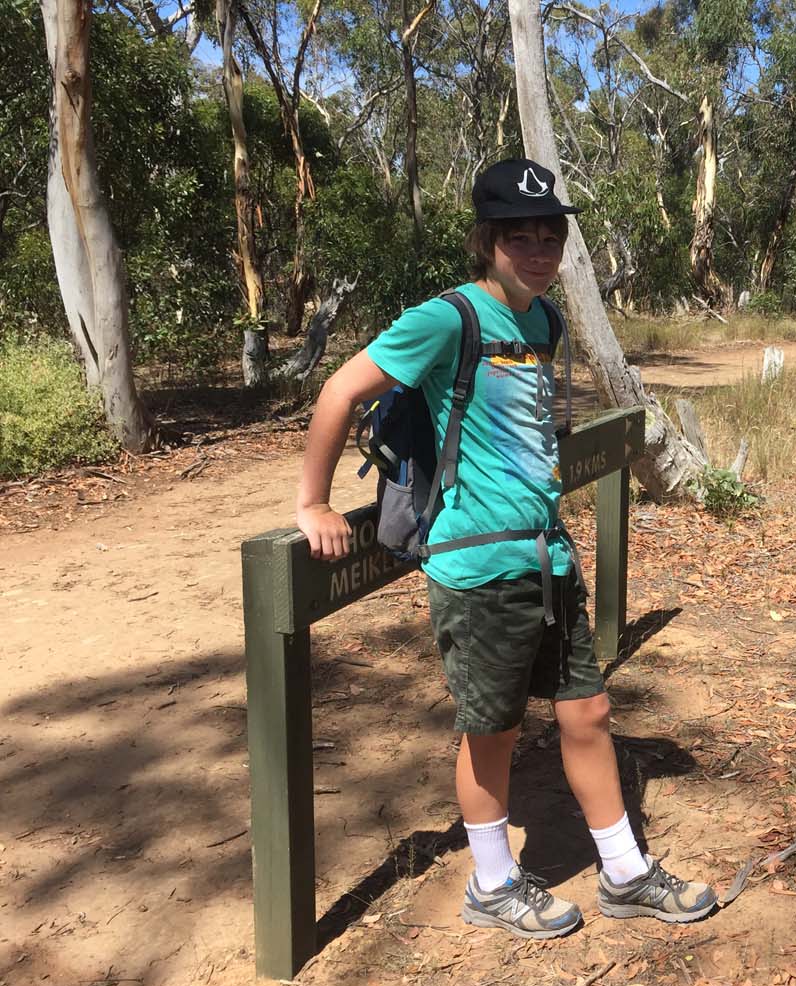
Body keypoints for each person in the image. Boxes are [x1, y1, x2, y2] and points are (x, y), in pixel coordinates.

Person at [294, 158, 715, 938]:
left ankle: (624, 872)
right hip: (478, 566)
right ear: (486, 240)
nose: (536, 247)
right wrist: (314, 502)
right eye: (517, 234)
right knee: (493, 734)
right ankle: (491, 885)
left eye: (548, 234)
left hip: (549, 557)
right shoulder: (447, 319)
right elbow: (340, 392)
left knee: (587, 711)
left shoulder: (545, 322)